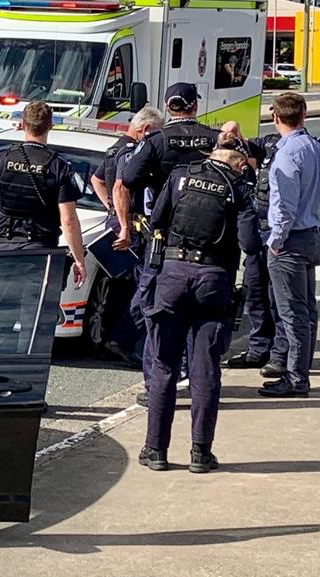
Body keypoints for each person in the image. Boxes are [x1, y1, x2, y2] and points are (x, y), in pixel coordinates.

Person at [141, 147, 250, 473]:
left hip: (173, 276)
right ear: (238, 163)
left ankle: (155, 450)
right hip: (213, 283)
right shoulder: (237, 188)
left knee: (164, 368)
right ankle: (201, 453)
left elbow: (157, 219)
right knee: (205, 370)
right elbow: (251, 243)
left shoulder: (179, 177)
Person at [115, 83, 222, 404]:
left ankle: (157, 386)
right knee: (199, 315)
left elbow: (125, 182)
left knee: (158, 312)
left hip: (163, 241)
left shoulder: (155, 142)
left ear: (168, 106)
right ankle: (193, 378)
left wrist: (125, 224)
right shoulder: (213, 139)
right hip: (209, 241)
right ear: (193, 106)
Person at [0, 101, 87, 353]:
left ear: (22, 124)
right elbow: (68, 220)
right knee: (34, 323)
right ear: (50, 126)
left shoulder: (1, 159)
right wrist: (79, 259)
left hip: (5, 250)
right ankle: (28, 380)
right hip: (41, 254)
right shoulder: (59, 166)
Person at [259, 92, 320, 398]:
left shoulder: (286, 154)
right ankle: (300, 369)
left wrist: (276, 240)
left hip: (290, 239)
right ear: (302, 115)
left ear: (276, 118)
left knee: (291, 312)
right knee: (306, 309)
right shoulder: (317, 149)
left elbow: (284, 207)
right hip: (311, 233)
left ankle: (296, 376)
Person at [90, 106, 164, 366]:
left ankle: (106, 340)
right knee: (141, 285)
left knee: (116, 286)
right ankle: (122, 339)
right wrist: (122, 218)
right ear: (145, 130)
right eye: (156, 133)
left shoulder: (113, 149)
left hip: (115, 222)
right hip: (132, 226)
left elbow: (96, 180)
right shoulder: (135, 154)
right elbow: (123, 187)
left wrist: (109, 206)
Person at [222, 131, 281, 370]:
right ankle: (258, 349)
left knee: (278, 299)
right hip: (258, 234)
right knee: (254, 292)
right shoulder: (266, 143)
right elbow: (234, 137)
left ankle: (279, 355)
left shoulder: (292, 150)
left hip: (280, 236)